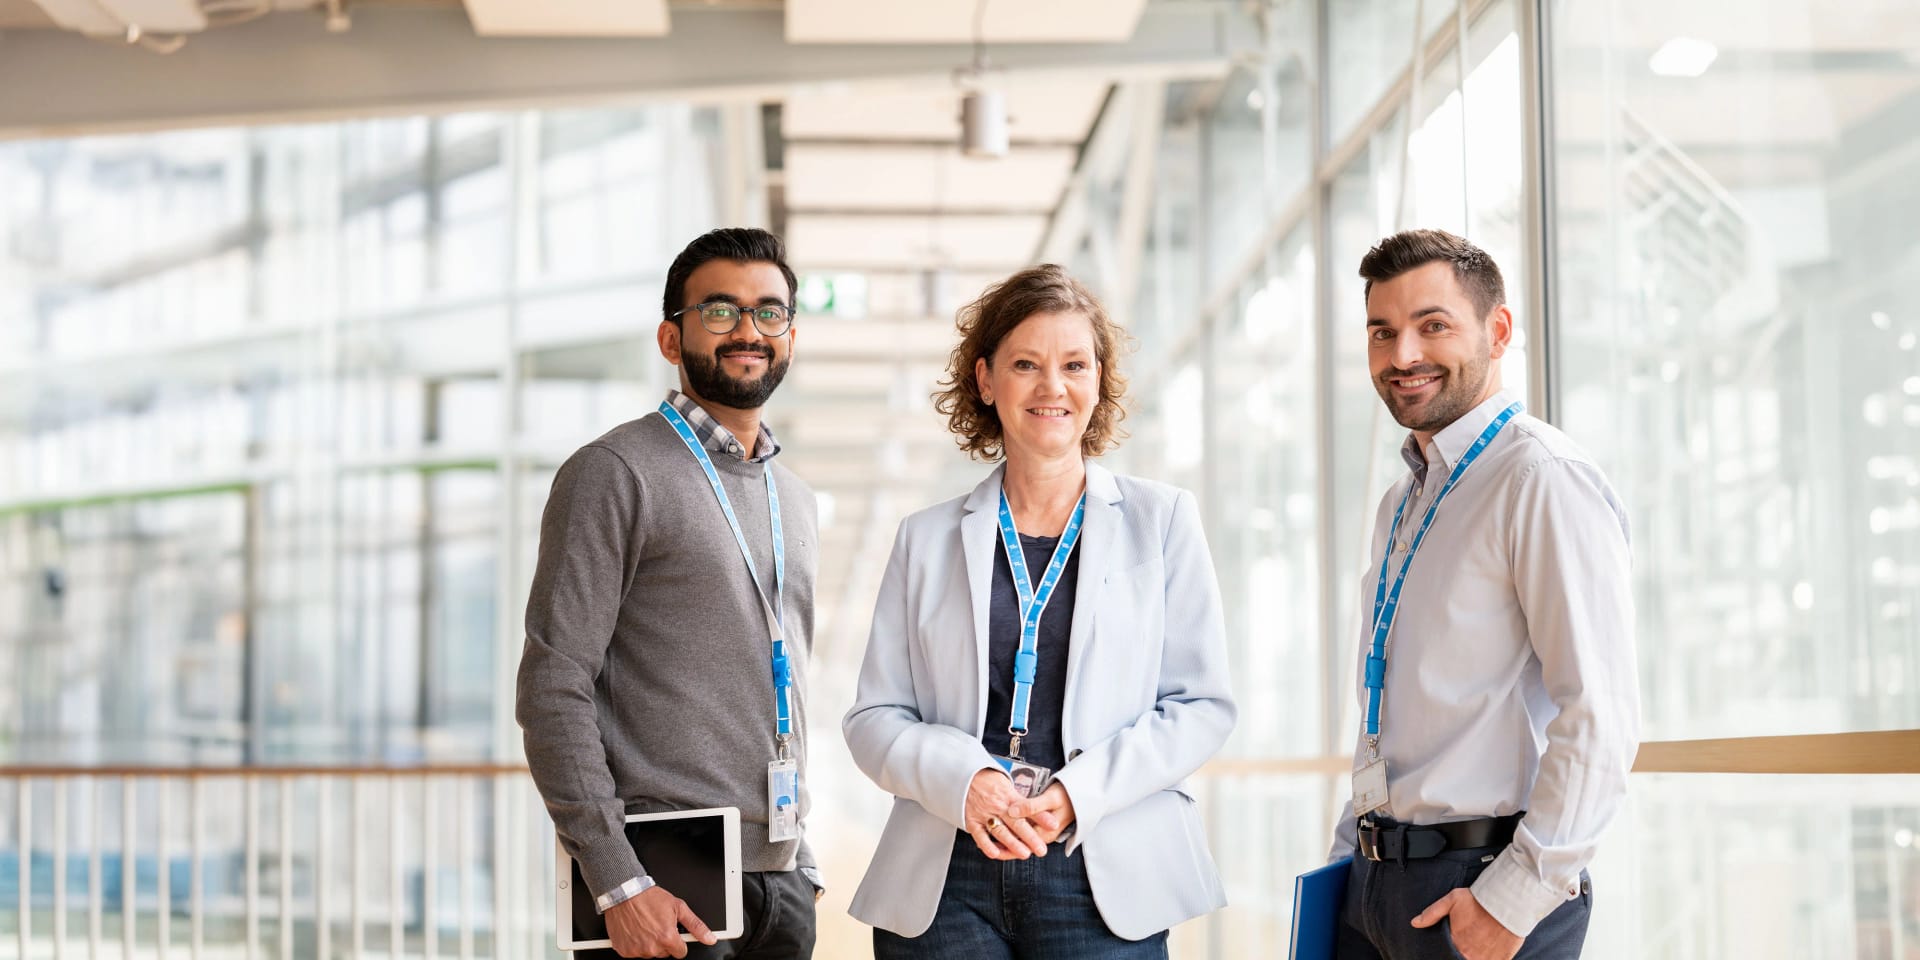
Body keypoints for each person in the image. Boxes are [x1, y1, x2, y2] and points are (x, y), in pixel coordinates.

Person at [843, 264, 1236, 959]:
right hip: (949, 868)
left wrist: (1078, 793)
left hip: (1099, 863)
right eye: (1026, 364)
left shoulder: (1162, 521)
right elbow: (875, 719)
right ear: (987, 381)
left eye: (1074, 364)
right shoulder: (926, 538)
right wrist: (965, 781)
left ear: (1098, 380)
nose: (1053, 387)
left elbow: (1201, 704)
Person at [1328, 229, 1639, 960]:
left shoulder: (1540, 478)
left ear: (1497, 332)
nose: (1403, 355)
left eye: (1432, 326)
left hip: (1479, 885)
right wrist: (1350, 863)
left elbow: (1600, 712)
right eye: (1383, 332)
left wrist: (1513, 902)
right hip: (1378, 882)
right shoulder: (1402, 501)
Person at [518, 228, 821, 960]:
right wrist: (617, 882)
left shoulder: (795, 497)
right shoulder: (614, 473)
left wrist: (802, 868)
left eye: (769, 313)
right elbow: (552, 688)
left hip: (783, 881)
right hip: (666, 886)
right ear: (669, 336)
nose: (749, 330)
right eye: (720, 311)